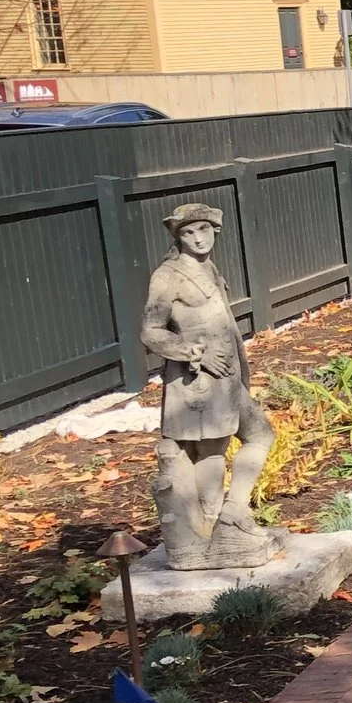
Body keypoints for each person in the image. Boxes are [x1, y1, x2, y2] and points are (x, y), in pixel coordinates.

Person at [138, 202, 281, 569]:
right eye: (188, 233)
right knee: (211, 451)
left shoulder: (208, 268)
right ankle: (218, 529)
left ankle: (232, 515)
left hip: (228, 376)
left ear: (214, 231)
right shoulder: (168, 275)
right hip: (199, 380)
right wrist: (189, 352)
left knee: (261, 433)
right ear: (179, 238)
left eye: (203, 230)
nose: (198, 239)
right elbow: (150, 332)